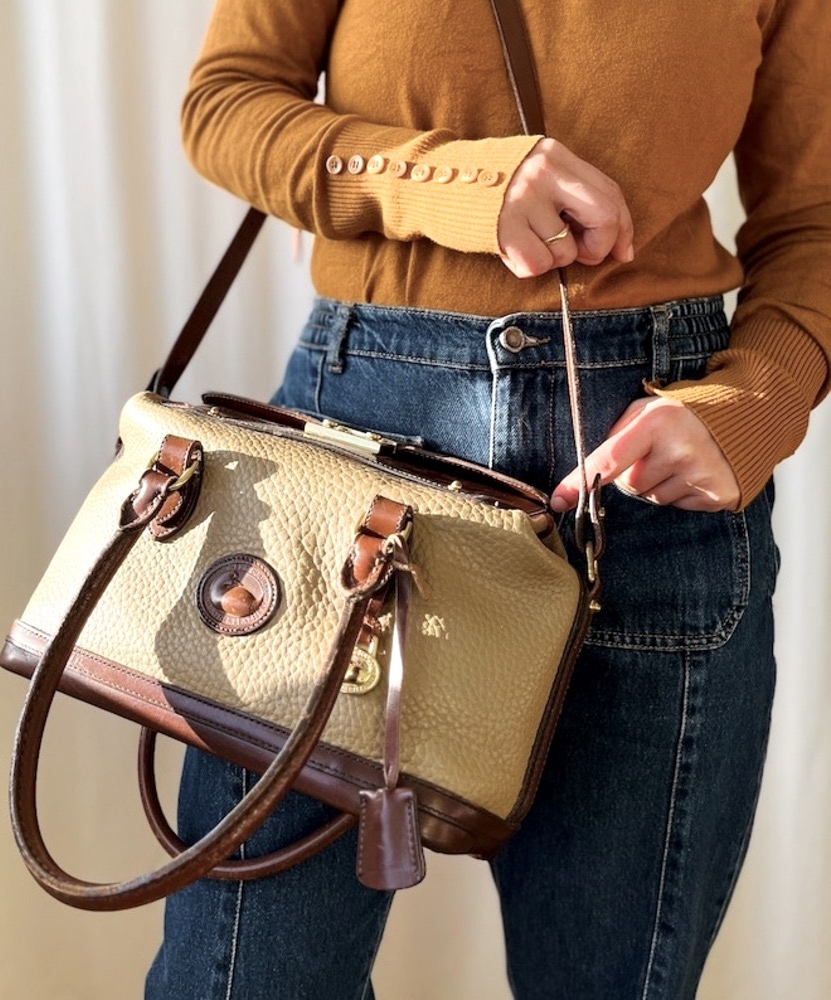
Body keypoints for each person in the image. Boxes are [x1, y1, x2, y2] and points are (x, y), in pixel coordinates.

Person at [145, 1, 831, 997]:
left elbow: (813, 216)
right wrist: (457, 181)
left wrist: (753, 402)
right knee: (241, 977)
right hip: (355, 461)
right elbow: (225, 104)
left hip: (644, 478)